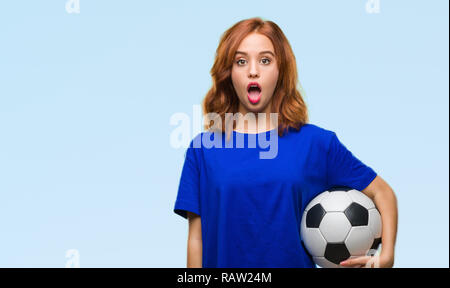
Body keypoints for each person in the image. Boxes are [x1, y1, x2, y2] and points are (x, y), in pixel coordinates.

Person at [173, 17, 398, 268]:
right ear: (229, 73)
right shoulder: (203, 149)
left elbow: (383, 193)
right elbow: (196, 239)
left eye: (265, 60)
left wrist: (386, 256)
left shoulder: (317, 143)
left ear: (281, 71)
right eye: (241, 61)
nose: (253, 70)